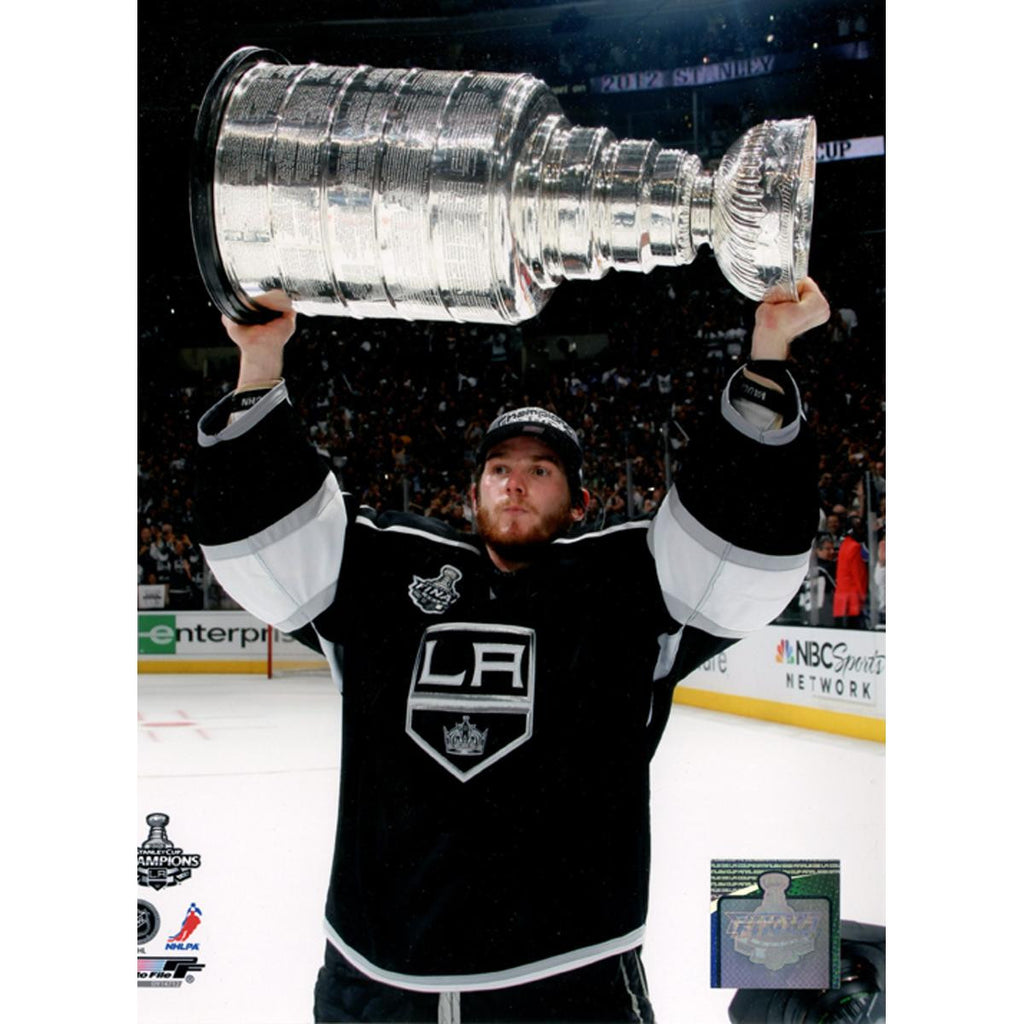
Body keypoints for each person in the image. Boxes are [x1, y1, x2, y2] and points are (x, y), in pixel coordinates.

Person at [194, 279, 829, 1023]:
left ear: (580, 502)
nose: (515, 484)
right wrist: (261, 361)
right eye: (499, 468)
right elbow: (263, 541)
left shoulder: (629, 584)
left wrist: (766, 358)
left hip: (570, 984)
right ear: (473, 493)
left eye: (541, 470)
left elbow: (741, 547)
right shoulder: (385, 570)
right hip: (375, 983)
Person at [833, 516, 869, 629]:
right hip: (853, 599)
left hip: (841, 598)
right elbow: (859, 575)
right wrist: (864, 596)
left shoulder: (845, 545)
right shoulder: (855, 547)